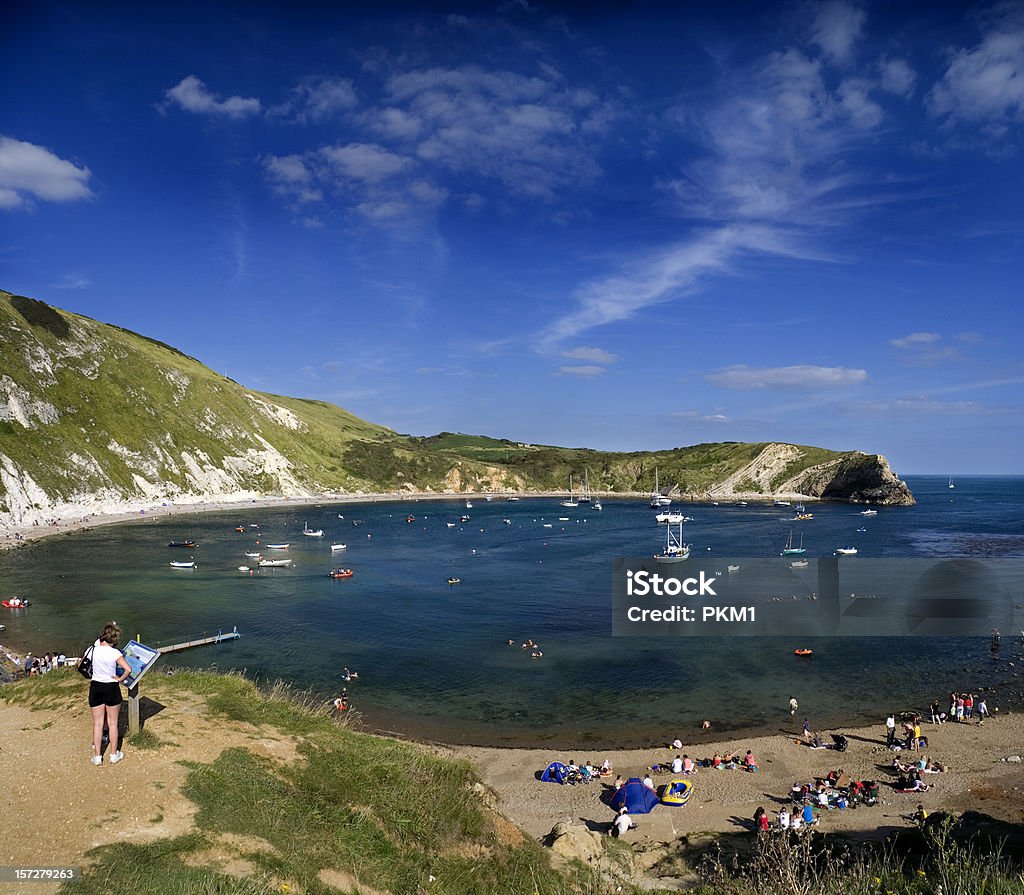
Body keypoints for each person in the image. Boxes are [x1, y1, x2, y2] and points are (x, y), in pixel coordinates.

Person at [88, 621, 132, 766]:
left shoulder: (92, 650)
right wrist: (120, 679)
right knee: (113, 723)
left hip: (96, 687)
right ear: (114, 639)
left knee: (98, 724)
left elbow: (82, 664)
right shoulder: (115, 653)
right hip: (111, 687)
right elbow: (128, 669)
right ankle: (114, 754)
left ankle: (97, 756)